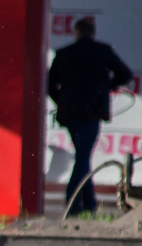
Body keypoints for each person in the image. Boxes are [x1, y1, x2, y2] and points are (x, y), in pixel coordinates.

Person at [48, 18, 134, 215]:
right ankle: (73, 202)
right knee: (83, 157)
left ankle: (89, 204)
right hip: (92, 113)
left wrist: (62, 102)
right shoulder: (102, 51)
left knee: (83, 156)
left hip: (70, 114)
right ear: (93, 33)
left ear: (76, 32)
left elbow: (50, 85)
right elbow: (125, 74)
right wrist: (108, 84)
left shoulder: (63, 53)